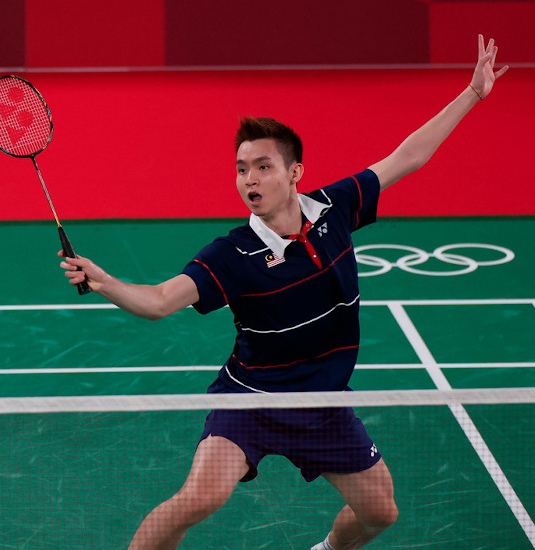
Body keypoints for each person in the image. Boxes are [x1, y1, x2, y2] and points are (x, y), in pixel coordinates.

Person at [59, 35, 507, 550]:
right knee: (197, 500)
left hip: (322, 402)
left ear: (295, 174)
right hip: (251, 399)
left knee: (380, 512)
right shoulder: (232, 253)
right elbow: (160, 301)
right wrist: (105, 282)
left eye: (263, 167)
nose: (250, 179)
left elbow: (408, 156)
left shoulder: (334, 210)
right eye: (241, 168)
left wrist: (472, 93)